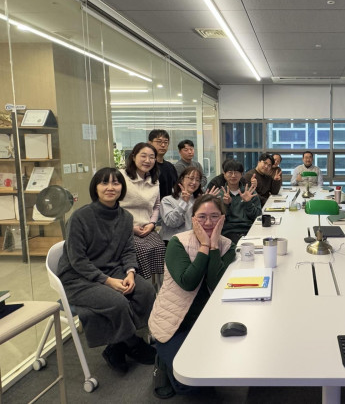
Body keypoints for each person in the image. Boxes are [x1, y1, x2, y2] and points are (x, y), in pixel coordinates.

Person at [58, 167, 156, 374]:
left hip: (113, 270)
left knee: (146, 291)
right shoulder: (79, 217)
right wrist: (108, 281)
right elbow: (77, 260)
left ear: (122, 188)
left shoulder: (125, 218)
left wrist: (130, 273)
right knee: (118, 302)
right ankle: (132, 342)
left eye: (115, 183)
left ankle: (116, 345)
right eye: (104, 183)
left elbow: (128, 250)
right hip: (78, 277)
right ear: (95, 187)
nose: (110, 187)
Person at [149, 195, 236, 397]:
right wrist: (204, 246)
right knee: (188, 384)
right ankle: (162, 361)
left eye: (214, 216)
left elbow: (215, 283)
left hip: (207, 321)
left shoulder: (227, 245)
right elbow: (188, 283)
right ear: (193, 218)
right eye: (202, 217)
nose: (208, 222)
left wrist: (214, 246)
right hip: (175, 323)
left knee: (222, 369)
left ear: (223, 218)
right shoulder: (178, 243)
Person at [120, 142, 166, 283]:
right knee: (140, 249)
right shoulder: (121, 177)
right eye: (143, 156)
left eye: (152, 157)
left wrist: (152, 224)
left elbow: (156, 206)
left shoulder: (154, 180)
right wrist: (130, 227)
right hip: (124, 228)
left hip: (146, 228)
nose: (147, 160)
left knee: (160, 247)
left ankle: (157, 286)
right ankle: (141, 284)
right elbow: (113, 206)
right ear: (134, 157)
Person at [218, 159, 262, 243]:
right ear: (224, 174)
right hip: (228, 232)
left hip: (249, 230)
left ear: (241, 174)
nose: (233, 175)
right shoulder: (219, 194)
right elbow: (217, 220)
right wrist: (226, 205)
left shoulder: (250, 192)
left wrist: (248, 203)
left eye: (236, 172)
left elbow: (258, 217)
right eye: (230, 172)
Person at [159, 167, 204, 244]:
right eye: (191, 178)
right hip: (174, 242)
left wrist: (209, 204)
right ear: (182, 179)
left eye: (197, 180)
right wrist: (184, 203)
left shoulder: (199, 200)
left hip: (195, 242)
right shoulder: (167, 200)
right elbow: (172, 222)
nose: (194, 182)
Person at [149, 129, 178, 200]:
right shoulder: (147, 166)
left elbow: (176, 187)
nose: (163, 145)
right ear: (150, 143)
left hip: (168, 204)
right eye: (159, 142)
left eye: (166, 142)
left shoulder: (170, 167)